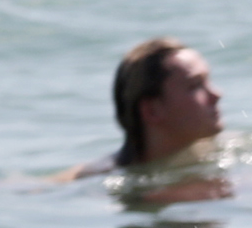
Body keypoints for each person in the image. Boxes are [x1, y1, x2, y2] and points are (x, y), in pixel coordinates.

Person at [51, 39, 230, 194]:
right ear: (152, 110)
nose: (216, 94)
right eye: (195, 85)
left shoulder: (226, 149)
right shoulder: (112, 181)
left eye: (208, 81)